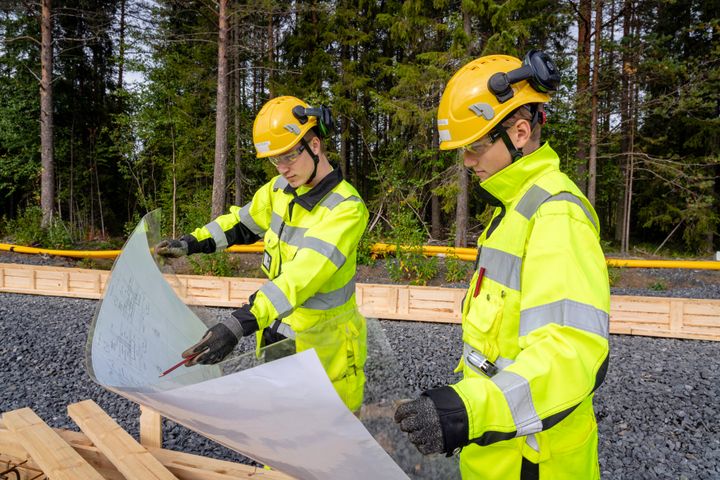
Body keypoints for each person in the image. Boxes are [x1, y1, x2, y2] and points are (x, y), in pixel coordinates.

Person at [394, 51, 610, 479]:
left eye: (474, 148)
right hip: (498, 449)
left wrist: (468, 411)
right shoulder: (513, 210)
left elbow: (571, 353)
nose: (467, 162)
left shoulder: (554, 214)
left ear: (520, 131)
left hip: (533, 460)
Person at [156, 96, 369, 412]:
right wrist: (191, 243)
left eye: (289, 156)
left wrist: (237, 324)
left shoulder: (345, 210)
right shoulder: (280, 190)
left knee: (325, 447)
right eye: (275, 160)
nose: (283, 169)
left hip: (324, 351)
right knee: (277, 432)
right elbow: (241, 225)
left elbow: (298, 279)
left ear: (315, 144)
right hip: (277, 335)